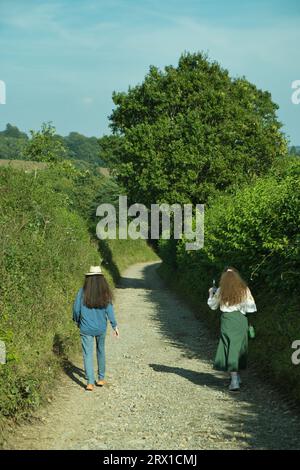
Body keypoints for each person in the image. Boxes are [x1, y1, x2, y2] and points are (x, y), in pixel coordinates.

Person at [207, 266, 257, 391]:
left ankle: (234, 380)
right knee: (239, 348)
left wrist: (211, 293)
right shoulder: (244, 289)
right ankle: (237, 377)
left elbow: (212, 305)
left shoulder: (221, 290)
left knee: (229, 348)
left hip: (227, 320)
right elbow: (251, 308)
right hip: (241, 320)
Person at [73, 265, 119, 391]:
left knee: (87, 354)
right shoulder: (105, 293)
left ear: (88, 278)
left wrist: (77, 322)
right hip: (101, 328)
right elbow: (110, 311)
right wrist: (114, 326)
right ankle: (101, 378)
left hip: (86, 328)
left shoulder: (82, 292)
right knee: (101, 351)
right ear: (101, 279)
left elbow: (76, 310)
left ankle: (89, 383)